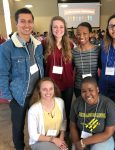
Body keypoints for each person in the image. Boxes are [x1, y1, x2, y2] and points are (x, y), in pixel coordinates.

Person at [0, 8, 44, 149]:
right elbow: (2, 73)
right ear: (16, 23)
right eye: (23, 21)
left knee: (36, 124)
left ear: (33, 23)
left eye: (30, 21)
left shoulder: (38, 45)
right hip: (18, 96)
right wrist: (8, 97)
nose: (27, 25)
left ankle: (37, 146)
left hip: (36, 95)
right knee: (18, 127)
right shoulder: (7, 47)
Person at [45, 16, 74, 132]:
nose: (58, 29)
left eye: (61, 27)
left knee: (66, 109)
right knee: (53, 109)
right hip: (51, 85)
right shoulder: (44, 44)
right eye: (55, 27)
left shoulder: (70, 45)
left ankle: (65, 132)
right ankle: (54, 131)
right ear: (51, 28)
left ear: (65, 29)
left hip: (67, 83)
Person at [70, 77, 115, 150]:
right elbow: (73, 126)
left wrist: (83, 142)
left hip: (102, 139)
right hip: (81, 138)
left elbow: (108, 133)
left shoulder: (108, 104)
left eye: (91, 90)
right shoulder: (77, 103)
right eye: (84, 91)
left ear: (97, 89)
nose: (87, 94)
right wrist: (77, 143)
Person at [28, 77, 68, 150]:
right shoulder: (33, 110)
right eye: (44, 89)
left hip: (57, 138)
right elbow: (33, 135)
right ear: (39, 91)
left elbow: (64, 121)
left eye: (51, 89)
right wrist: (53, 140)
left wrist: (61, 138)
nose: (48, 92)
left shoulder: (60, 102)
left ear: (54, 89)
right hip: (40, 141)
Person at [72, 22, 100, 97]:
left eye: (85, 33)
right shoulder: (73, 52)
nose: (81, 36)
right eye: (78, 34)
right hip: (79, 87)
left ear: (90, 34)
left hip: (94, 87)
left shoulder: (97, 50)